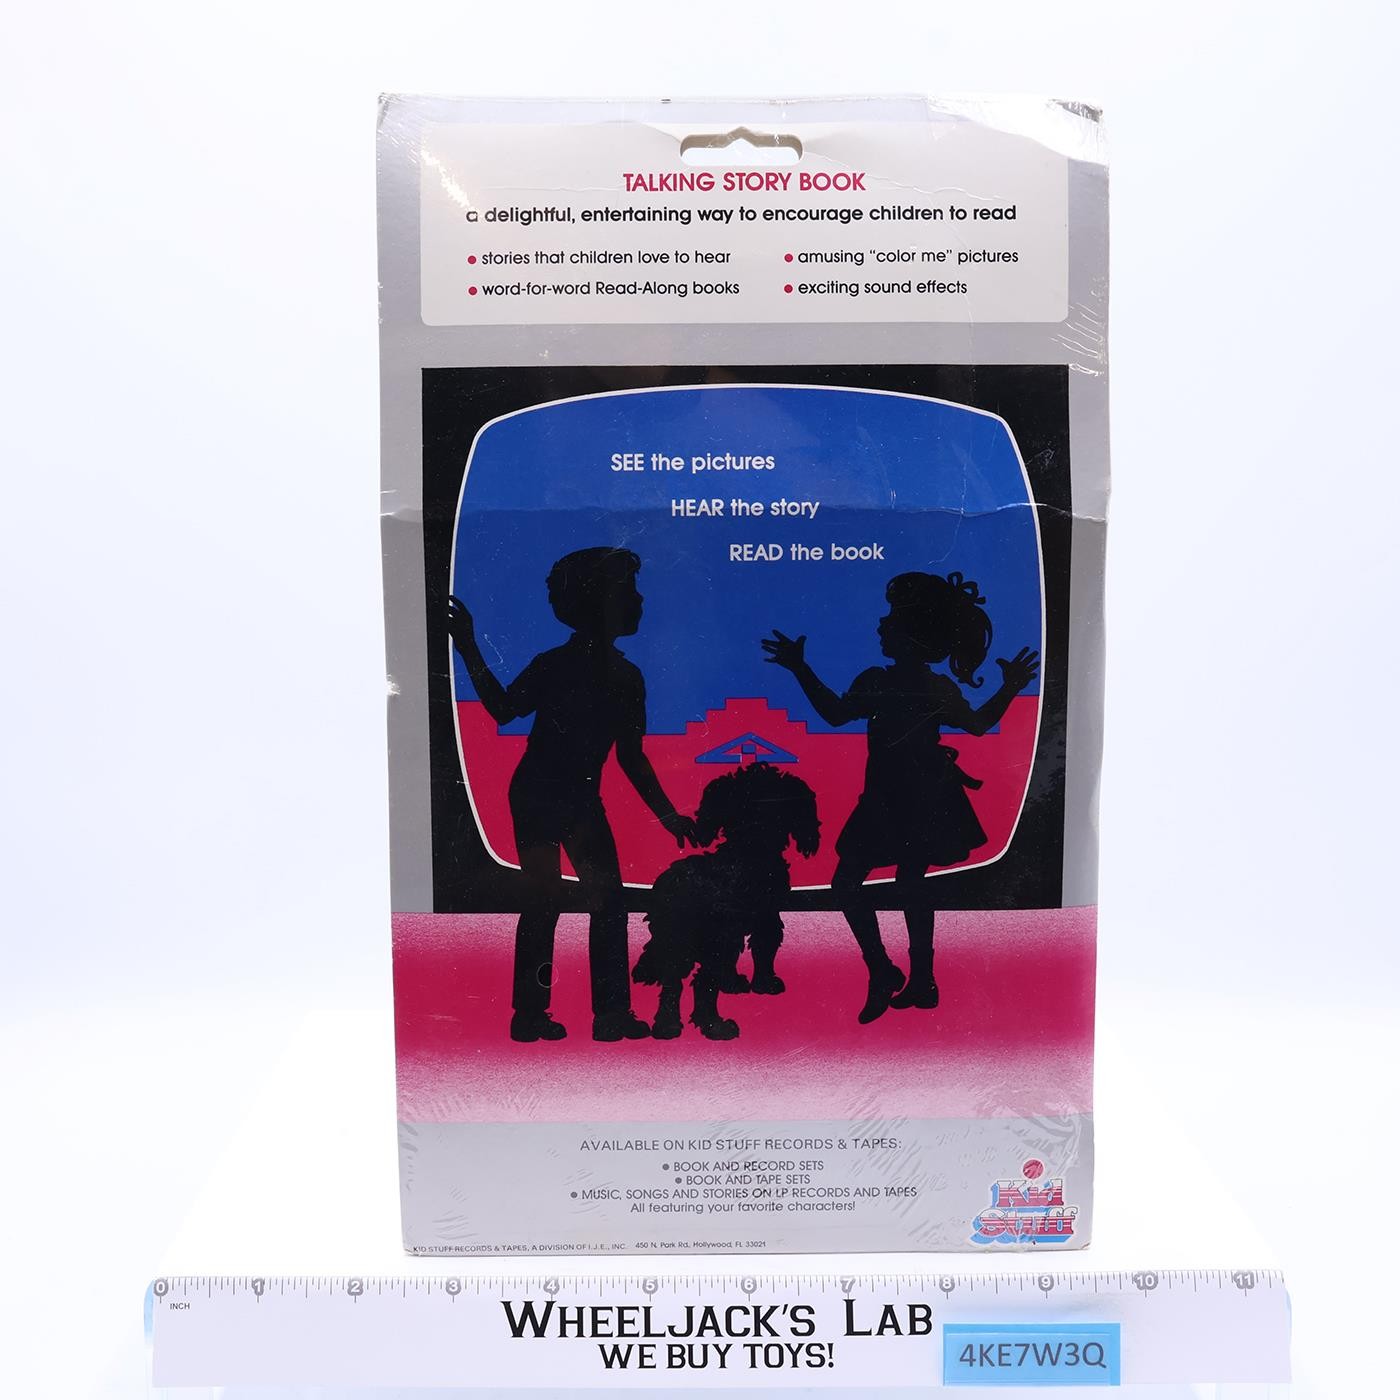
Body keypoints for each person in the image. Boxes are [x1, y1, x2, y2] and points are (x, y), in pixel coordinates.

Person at [763, 571, 1039, 1024]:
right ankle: (901, 975)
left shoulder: (886, 681)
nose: (880, 624)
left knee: (872, 883)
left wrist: (800, 668)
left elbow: (836, 714)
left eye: (890, 619)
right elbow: (976, 724)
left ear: (910, 634)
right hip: (905, 796)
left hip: (910, 796)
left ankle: (904, 975)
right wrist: (1009, 687)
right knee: (895, 883)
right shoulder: (919, 684)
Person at [449, 547, 695, 1042]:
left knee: (599, 903)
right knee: (554, 902)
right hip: (543, 795)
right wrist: (468, 644)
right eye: (628, 592)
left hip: (574, 799)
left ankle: (600, 1015)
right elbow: (504, 709)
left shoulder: (624, 677)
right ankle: (539, 1014)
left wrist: (669, 817)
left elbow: (631, 758)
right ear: (598, 602)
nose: (639, 601)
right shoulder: (565, 666)